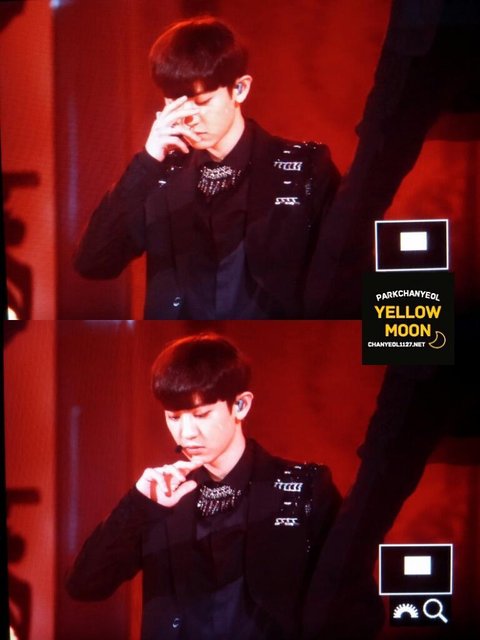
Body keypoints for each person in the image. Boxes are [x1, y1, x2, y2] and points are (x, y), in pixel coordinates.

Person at [65, 332, 346, 639]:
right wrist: (138, 504)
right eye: (174, 417)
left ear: (240, 405)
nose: (186, 433)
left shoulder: (304, 488)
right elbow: (85, 585)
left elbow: (349, 606)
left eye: (201, 414)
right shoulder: (161, 497)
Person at [73, 16, 340, 319]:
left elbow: (345, 275)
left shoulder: (304, 168)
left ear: (240, 88)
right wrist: (147, 161)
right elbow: (93, 263)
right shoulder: (159, 175)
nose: (189, 118)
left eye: (202, 102)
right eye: (175, 103)